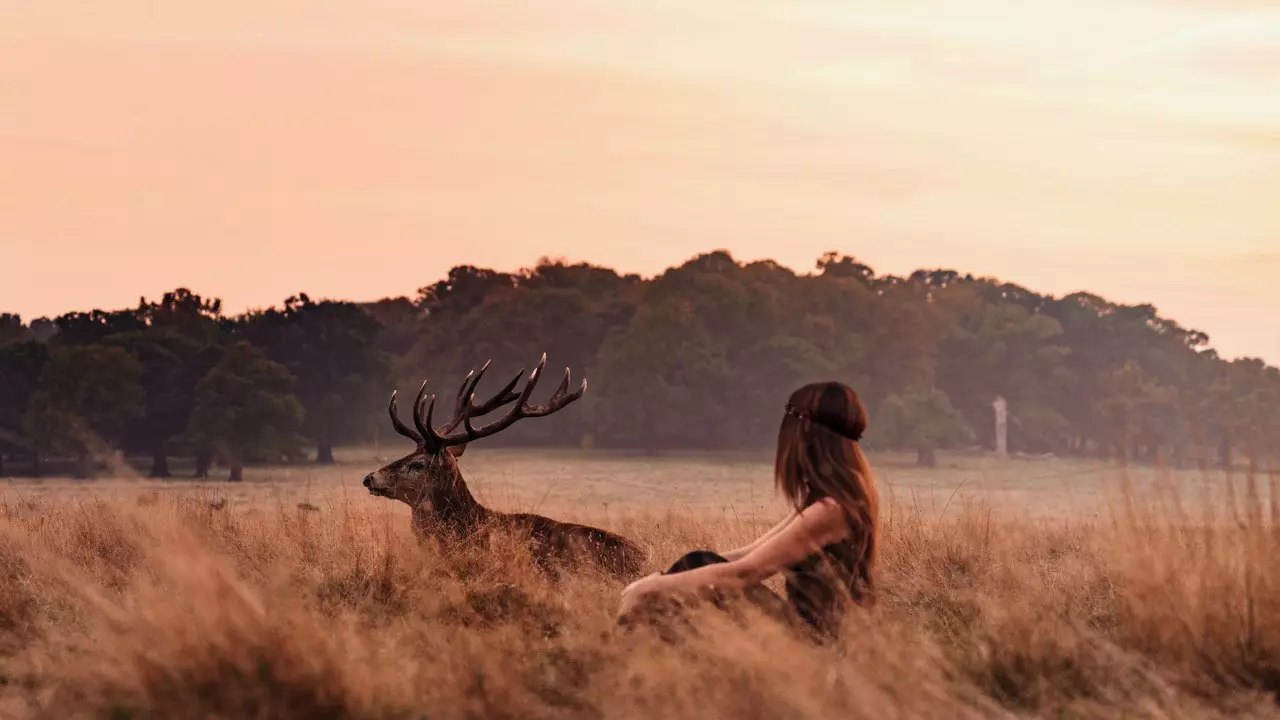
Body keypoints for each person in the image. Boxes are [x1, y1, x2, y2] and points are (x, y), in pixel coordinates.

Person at [616, 381, 879, 642]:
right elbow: (748, 553)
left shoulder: (829, 510)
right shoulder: (830, 499)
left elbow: (747, 572)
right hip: (805, 635)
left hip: (815, 645)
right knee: (699, 562)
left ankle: (635, 648)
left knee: (699, 569)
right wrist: (668, 580)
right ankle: (642, 646)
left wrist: (654, 587)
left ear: (806, 435)